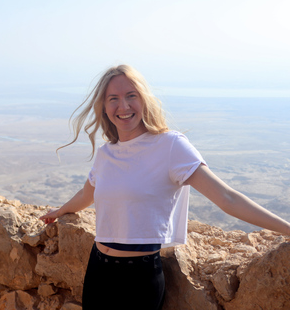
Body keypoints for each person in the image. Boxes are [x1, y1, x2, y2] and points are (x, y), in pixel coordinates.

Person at [39, 64, 290, 310]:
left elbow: (227, 198)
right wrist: (60, 211)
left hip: (139, 279)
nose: (123, 106)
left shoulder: (170, 146)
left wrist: (287, 229)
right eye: (113, 98)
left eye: (131, 96)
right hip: (98, 270)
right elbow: (87, 194)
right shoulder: (107, 153)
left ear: (144, 100)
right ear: (104, 108)